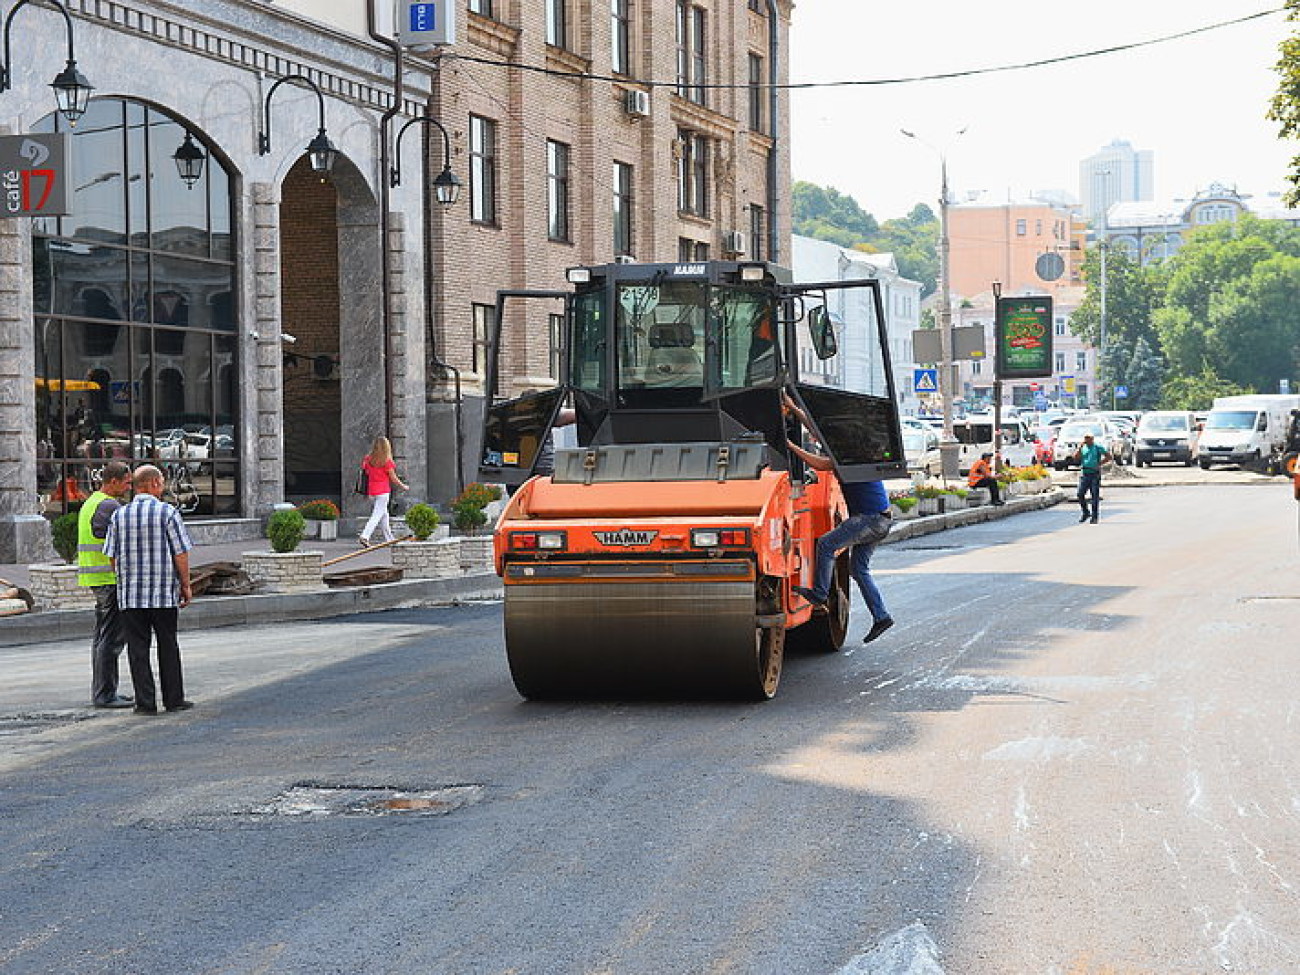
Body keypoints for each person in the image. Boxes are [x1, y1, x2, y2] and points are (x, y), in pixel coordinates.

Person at [782, 391, 895, 644]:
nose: (820, 438)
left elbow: (822, 465)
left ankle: (820, 594)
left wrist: (790, 446)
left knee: (826, 544)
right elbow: (816, 429)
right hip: (881, 519)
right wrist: (794, 409)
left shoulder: (848, 454)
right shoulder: (857, 449)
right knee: (859, 569)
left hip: (869, 520)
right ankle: (881, 616)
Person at [103, 464, 195, 715]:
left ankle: (145, 703)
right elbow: (180, 553)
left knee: (137, 649)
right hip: (163, 592)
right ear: (154, 483)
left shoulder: (119, 516)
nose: (163, 485)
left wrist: (125, 576)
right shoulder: (167, 513)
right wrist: (185, 584)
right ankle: (173, 700)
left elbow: (111, 556)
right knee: (168, 644)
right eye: (162, 481)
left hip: (131, 596)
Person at [77, 461, 134, 708]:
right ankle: (105, 694)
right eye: (127, 483)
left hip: (97, 579)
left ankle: (104, 691)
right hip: (108, 580)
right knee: (111, 639)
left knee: (102, 637)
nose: (128, 487)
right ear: (113, 481)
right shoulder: (109, 505)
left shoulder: (91, 502)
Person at [358, 435, 409, 547]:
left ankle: (389, 539)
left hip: (371, 491)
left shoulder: (368, 459)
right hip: (383, 492)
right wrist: (403, 486)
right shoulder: (387, 461)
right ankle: (365, 536)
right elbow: (393, 478)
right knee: (376, 515)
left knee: (384, 515)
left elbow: (366, 473)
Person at [1073, 432, 1111, 524]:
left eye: (1088, 438)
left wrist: (1099, 464)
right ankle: (1085, 512)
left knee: (1094, 496)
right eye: (1085, 438)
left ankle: (1094, 517)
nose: (1087, 440)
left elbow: (1108, 456)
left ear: (1092, 439)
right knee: (1080, 494)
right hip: (1085, 473)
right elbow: (1075, 458)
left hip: (1094, 474)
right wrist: (1079, 448)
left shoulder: (1097, 447)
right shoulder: (1083, 448)